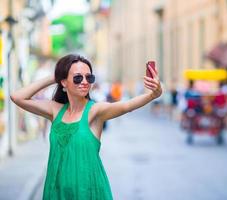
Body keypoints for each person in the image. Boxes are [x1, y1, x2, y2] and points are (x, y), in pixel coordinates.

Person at [10, 54, 162, 200]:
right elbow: (17, 97)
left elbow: (126, 106)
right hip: (57, 191)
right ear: (64, 82)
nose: (84, 81)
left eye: (89, 77)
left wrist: (152, 95)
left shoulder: (95, 111)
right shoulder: (54, 110)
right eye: (77, 77)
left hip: (88, 192)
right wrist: (53, 77)